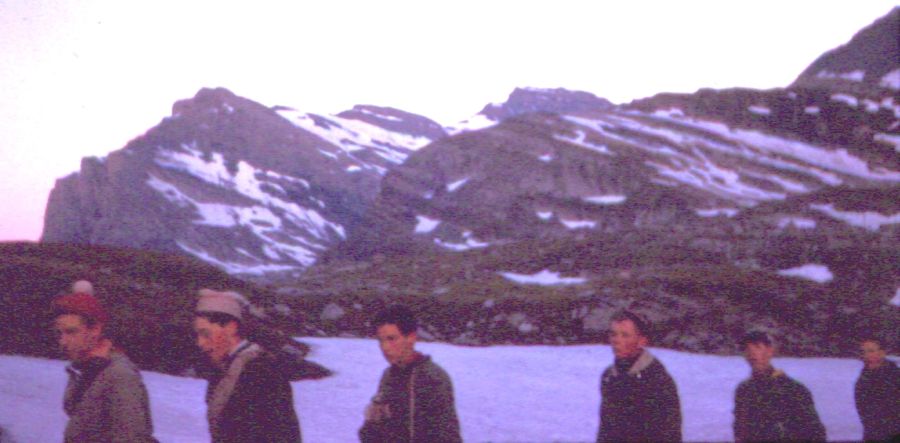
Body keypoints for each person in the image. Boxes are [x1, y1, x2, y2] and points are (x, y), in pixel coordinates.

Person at [193, 288, 302, 442]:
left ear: (231, 327)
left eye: (206, 333)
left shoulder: (263, 372)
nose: (200, 343)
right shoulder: (224, 368)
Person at [52, 288, 156, 442]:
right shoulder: (85, 368)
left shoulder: (119, 375)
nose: (63, 341)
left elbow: (131, 437)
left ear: (95, 329)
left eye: (71, 332)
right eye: (60, 333)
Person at [359, 304, 461, 443]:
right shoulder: (388, 375)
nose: (384, 347)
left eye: (391, 339)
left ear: (411, 338)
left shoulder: (432, 378)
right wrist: (371, 424)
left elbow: (447, 436)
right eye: (380, 340)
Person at [596, 310, 682, 442]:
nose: (616, 340)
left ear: (641, 341)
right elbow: (605, 430)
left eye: (625, 335)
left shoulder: (657, 381)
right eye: (613, 334)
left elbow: (669, 434)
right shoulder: (609, 377)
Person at [733, 331, 826, 442]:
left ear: (770, 351)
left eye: (757, 347)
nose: (752, 353)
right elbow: (740, 431)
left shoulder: (793, 389)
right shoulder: (744, 390)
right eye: (747, 349)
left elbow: (815, 434)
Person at [854, 335, 900, 441]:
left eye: (871, 351)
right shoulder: (864, 378)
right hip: (872, 433)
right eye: (863, 351)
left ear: (882, 352)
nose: (866, 355)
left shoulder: (894, 376)